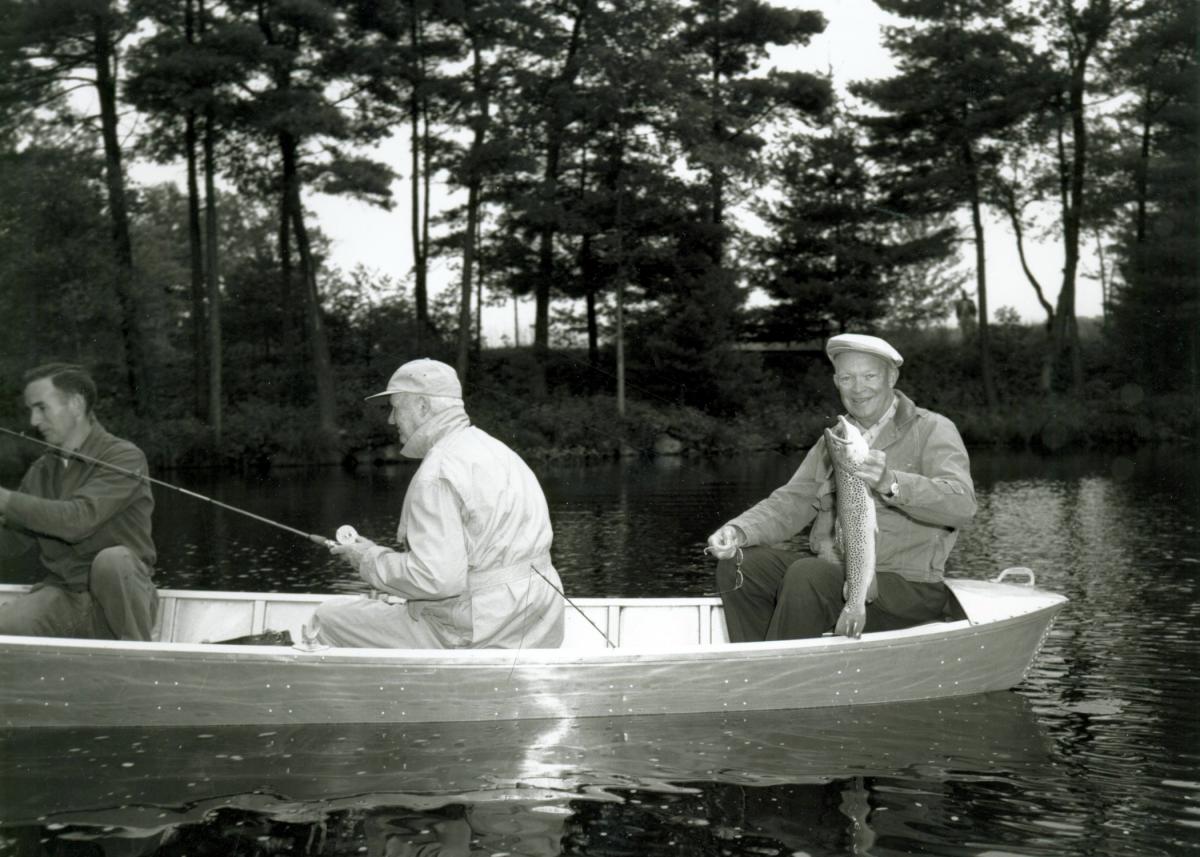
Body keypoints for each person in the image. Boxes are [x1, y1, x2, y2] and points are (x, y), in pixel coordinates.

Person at [705, 334, 975, 641]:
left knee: (808, 574)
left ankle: (783, 674)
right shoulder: (834, 441)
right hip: (833, 577)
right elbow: (792, 502)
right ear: (836, 381)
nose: (858, 388)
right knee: (740, 565)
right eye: (847, 378)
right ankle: (756, 666)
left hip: (907, 587)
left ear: (892, 377)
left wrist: (893, 483)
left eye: (869, 376)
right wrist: (739, 530)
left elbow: (963, 505)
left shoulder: (932, 429)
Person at [311, 358, 565, 649]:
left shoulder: (437, 473)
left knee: (327, 617)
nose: (391, 420)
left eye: (395, 408)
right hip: (538, 620)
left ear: (422, 407)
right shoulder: (498, 450)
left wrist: (367, 559)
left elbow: (436, 580)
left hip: (479, 631)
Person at [0, 363, 158, 640]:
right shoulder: (42, 470)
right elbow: (12, 541)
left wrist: (5, 499)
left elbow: (78, 520)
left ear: (75, 404)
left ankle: (138, 659)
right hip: (62, 596)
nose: (33, 421)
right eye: (31, 410)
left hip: (120, 598)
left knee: (113, 561)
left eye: (41, 408)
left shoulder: (125, 456)